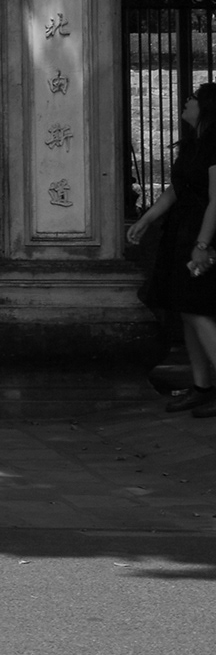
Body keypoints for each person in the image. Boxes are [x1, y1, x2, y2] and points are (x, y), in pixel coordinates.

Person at [128, 82, 216, 416]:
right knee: (186, 308)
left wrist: (203, 244)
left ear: (207, 107)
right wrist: (147, 219)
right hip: (182, 232)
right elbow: (176, 189)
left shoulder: (214, 145)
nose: (186, 101)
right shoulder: (193, 144)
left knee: (197, 308)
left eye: (193, 98)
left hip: (202, 234)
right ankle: (201, 386)